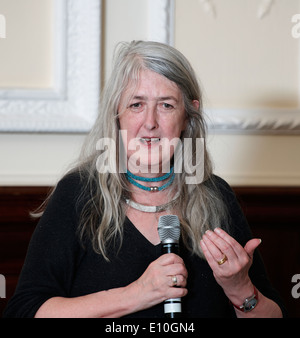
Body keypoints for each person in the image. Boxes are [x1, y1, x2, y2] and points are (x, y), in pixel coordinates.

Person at [4, 40, 286, 318]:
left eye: (166, 105)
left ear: (188, 115)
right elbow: (25, 311)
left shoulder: (216, 195)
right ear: (117, 113)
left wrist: (239, 289)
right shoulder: (79, 194)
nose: (150, 122)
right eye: (136, 104)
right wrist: (136, 294)